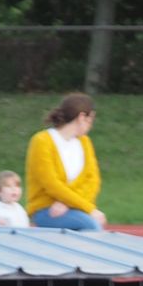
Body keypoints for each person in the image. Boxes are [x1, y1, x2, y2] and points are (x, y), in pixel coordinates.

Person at [24, 92, 105, 231]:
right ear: (81, 117)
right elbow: (51, 183)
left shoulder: (85, 142)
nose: (91, 125)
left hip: (74, 208)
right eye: (90, 120)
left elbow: (93, 181)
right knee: (90, 226)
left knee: (89, 225)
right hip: (47, 209)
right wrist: (89, 208)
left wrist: (67, 203)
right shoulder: (42, 141)